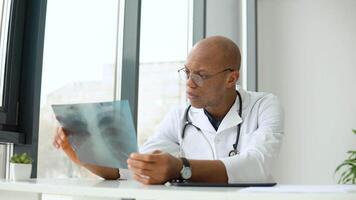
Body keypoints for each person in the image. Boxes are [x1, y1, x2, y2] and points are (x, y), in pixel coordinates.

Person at [53, 36, 284, 185]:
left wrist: (181, 167)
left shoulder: (264, 105)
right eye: (187, 72)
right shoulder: (179, 116)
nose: (190, 83)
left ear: (231, 78)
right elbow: (132, 168)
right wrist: (80, 153)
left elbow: (257, 166)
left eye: (201, 75)